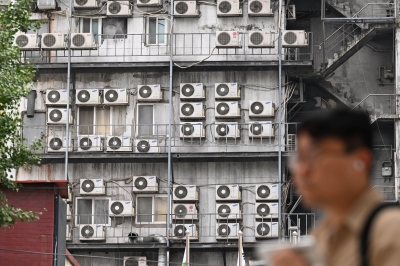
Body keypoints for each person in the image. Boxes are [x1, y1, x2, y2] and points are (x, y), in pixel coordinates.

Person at [272, 109, 400, 266]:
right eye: (299, 158)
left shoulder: (391, 232)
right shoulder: (320, 237)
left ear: (360, 161)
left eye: (315, 156)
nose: (303, 170)